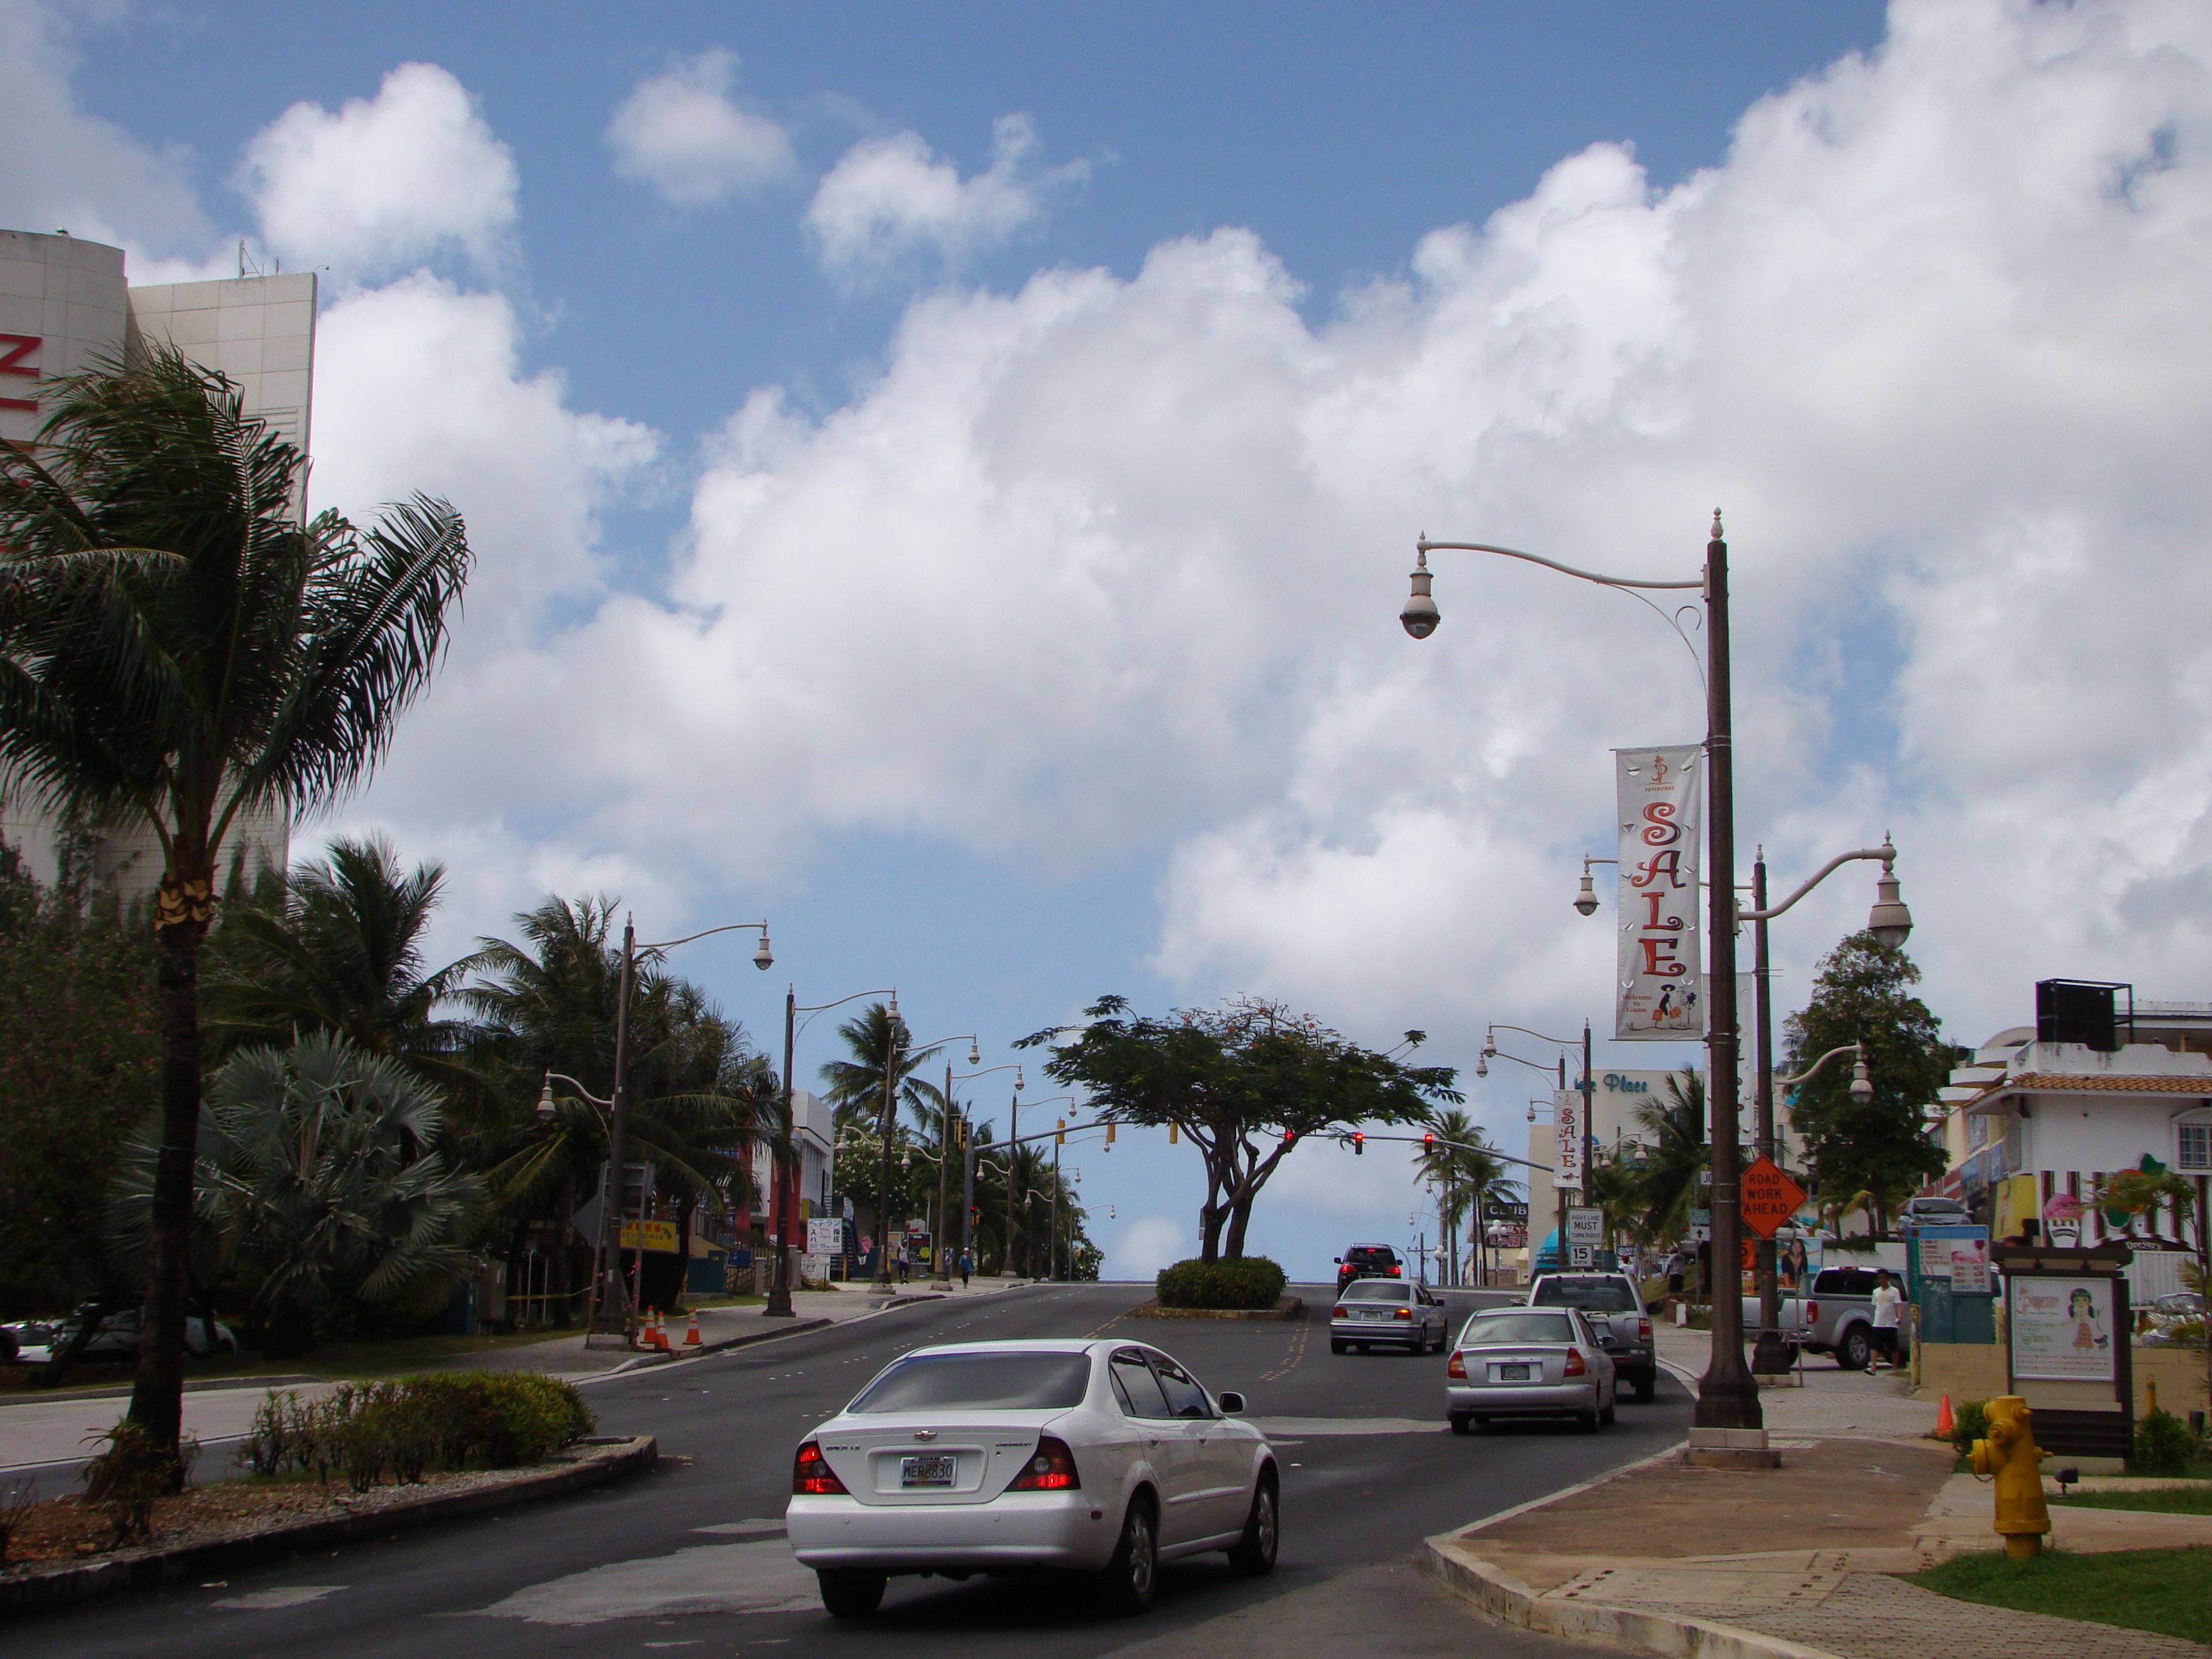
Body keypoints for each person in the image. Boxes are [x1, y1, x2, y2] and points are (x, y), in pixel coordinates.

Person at [1870, 1269, 1904, 1371]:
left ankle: (1895, 1368)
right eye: (1880, 1278)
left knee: (1893, 1347)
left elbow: (1899, 1306)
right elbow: (1875, 1306)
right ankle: (1873, 1366)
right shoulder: (1876, 1292)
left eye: (1884, 1278)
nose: (1882, 1280)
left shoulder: (1894, 1291)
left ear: (1888, 1279)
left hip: (1890, 1324)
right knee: (1875, 1346)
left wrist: (1900, 1317)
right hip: (1878, 1323)